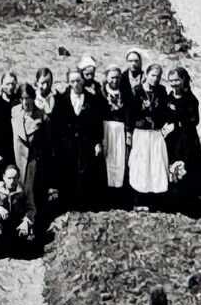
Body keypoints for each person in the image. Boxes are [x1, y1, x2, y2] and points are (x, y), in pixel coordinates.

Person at [52, 68, 105, 210]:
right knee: (68, 174)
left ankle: (85, 206)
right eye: (72, 81)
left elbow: (97, 123)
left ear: (83, 80)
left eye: (78, 80)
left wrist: (97, 142)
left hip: (86, 144)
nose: (76, 84)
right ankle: (67, 206)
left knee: (85, 173)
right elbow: (56, 126)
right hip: (67, 145)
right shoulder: (61, 100)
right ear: (68, 83)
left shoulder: (91, 99)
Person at [165, 66, 201, 205]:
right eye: (171, 81)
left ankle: (189, 199)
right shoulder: (169, 97)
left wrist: (178, 124)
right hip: (172, 139)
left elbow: (195, 120)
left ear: (183, 80)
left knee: (188, 166)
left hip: (187, 139)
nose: (174, 84)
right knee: (172, 166)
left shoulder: (191, 99)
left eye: (176, 80)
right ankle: (173, 197)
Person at [127, 63, 170, 210]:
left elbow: (164, 112)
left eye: (158, 76)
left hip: (156, 133)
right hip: (141, 132)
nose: (155, 79)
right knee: (141, 164)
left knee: (156, 164)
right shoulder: (136, 91)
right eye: (153, 75)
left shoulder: (162, 91)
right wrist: (129, 132)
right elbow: (130, 114)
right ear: (146, 74)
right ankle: (139, 201)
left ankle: (154, 201)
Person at [12, 83, 55, 223]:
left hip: (34, 163)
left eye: (28, 98)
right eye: (22, 98)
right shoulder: (14, 112)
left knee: (33, 197)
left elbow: (48, 144)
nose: (25, 102)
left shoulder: (42, 116)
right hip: (17, 162)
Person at [0, 164, 35, 257]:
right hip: (0, 220)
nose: (12, 181)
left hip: (17, 222)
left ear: (18, 177)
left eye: (15, 178)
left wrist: (26, 222)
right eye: (9, 178)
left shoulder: (25, 190)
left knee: (25, 249)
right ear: (3, 177)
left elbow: (31, 209)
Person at [100, 65, 131, 203]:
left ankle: (119, 192)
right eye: (112, 77)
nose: (115, 80)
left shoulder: (125, 93)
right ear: (107, 78)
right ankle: (107, 193)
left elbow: (129, 113)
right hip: (106, 129)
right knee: (107, 159)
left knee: (119, 159)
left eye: (117, 77)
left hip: (120, 130)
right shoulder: (101, 93)